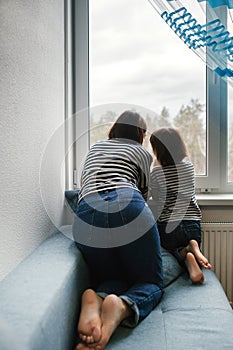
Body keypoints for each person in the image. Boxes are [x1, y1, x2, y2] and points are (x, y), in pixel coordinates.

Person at [72, 111, 163, 350]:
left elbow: (85, 185)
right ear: (141, 134)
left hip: (86, 215)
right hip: (127, 201)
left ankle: (98, 298)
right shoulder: (142, 153)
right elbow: (144, 195)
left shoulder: (96, 147)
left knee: (114, 278)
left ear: (115, 128)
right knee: (151, 282)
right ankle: (123, 306)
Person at [149, 127, 211, 284]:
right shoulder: (189, 168)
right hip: (192, 223)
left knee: (171, 251)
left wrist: (157, 164)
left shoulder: (156, 173)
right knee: (187, 240)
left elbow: (155, 197)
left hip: (169, 224)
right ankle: (193, 247)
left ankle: (185, 255)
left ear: (158, 150)